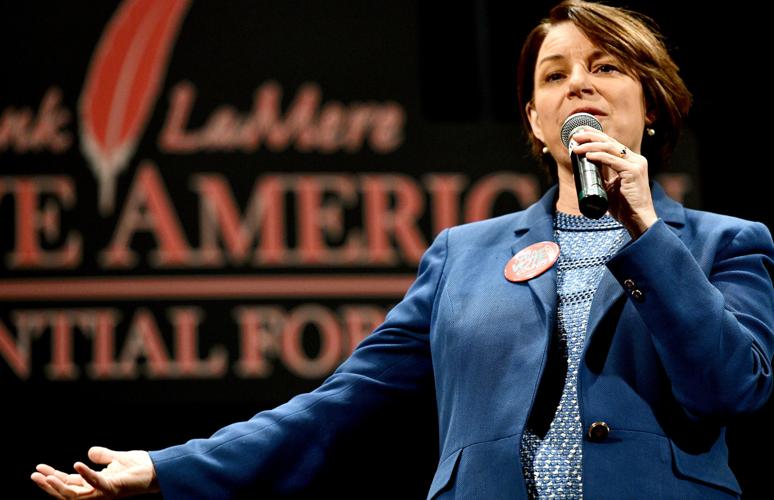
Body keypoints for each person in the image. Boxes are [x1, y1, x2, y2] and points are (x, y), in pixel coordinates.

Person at [31, 1, 774, 498]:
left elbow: (728, 389)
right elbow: (336, 408)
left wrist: (643, 230)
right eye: (556, 74)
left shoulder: (722, 245)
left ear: (651, 105)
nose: (578, 82)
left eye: (606, 66)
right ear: (535, 119)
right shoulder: (463, 255)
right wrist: (166, 467)